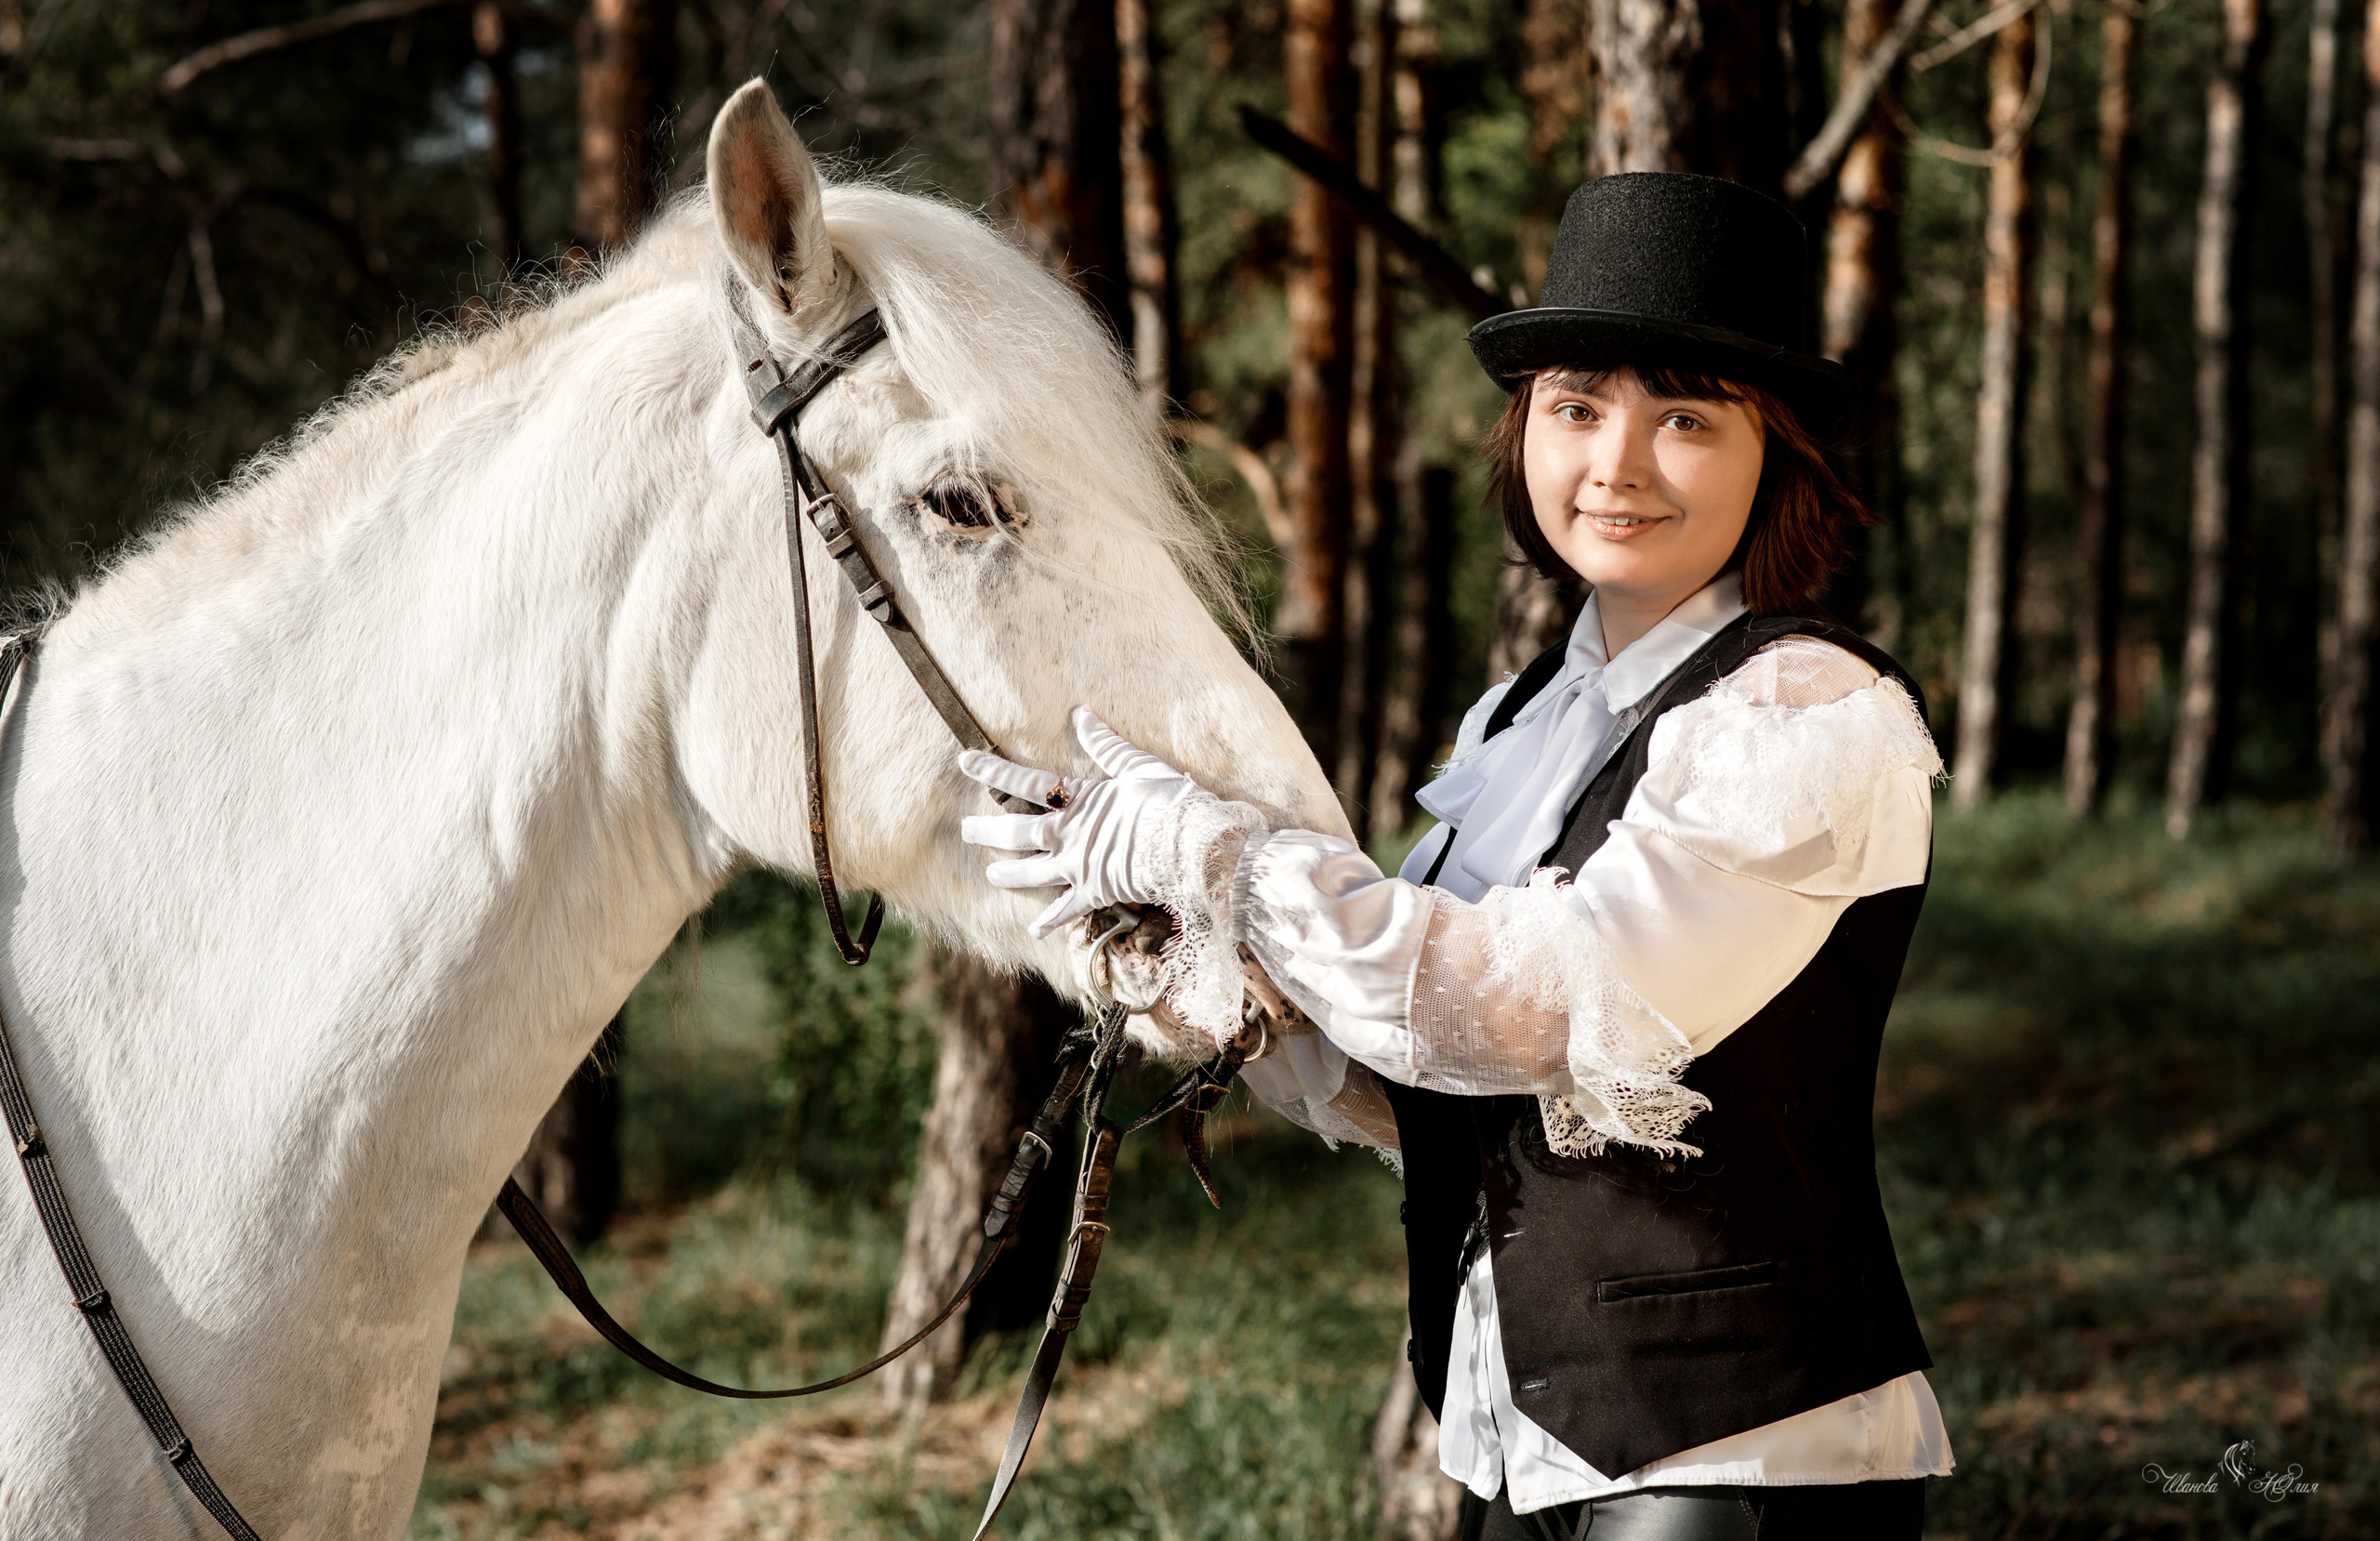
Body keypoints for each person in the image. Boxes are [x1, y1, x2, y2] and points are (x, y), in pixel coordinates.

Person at [958, 173, 1951, 1541]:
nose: (1616, 464)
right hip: (1514, 1438)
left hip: (1742, 1455)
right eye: (1576, 408)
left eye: (1684, 419)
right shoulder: (1524, 721)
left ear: (1773, 452)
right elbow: (1428, 1079)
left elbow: (1530, 1012)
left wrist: (1227, 859)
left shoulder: (1808, 713)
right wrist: (1169, 945)